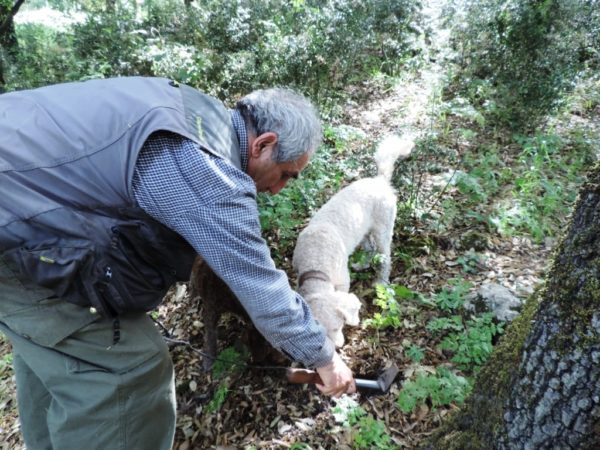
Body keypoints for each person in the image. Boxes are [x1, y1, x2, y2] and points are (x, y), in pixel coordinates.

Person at [0, 77, 356, 449]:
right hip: (13, 230)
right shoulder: (207, 169)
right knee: (129, 371)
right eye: (285, 174)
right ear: (263, 145)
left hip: (18, 215)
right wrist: (324, 357)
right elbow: (260, 285)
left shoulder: (189, 108)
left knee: (56, 354)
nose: (278, 189)